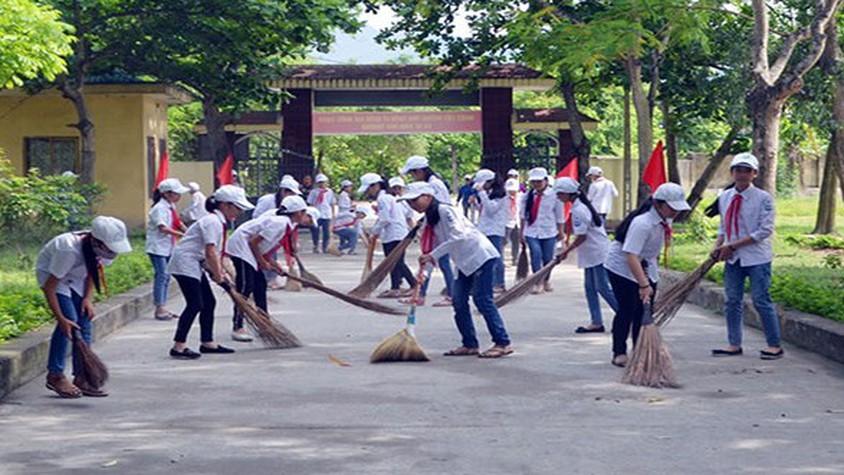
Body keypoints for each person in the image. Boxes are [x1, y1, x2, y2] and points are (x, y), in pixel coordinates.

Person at [400, 182, 513, 358]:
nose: (411, 205)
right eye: (409, 202)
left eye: (414, 200)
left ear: (428, 197)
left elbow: (459, 236)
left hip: (481, 256)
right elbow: (431, 249)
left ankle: (502, 342)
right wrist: (423, 275)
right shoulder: (430, 219)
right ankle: (469, 344)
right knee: (459, 301)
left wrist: (432, 255)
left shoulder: (446, 211)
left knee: (483, 300)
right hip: (463, 262)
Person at [37, 216, 133, 398]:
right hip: (54, 277)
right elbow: (50, 287)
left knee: (85, 322)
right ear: (97, 241)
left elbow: (92, 272)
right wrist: (61, 319)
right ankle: (55, 375)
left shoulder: (102, 250)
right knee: (70, 323)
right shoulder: (68, 249)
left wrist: (88, 299)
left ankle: (83, 376)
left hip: (76, 278)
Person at [603, 182, 690, 368]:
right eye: (672, 208)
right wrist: (643, 285)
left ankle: (640, 350)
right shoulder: (642, 223)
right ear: (658, 204)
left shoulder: (665, 218)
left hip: (645, 263)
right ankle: (619, 352)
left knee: (644, 312)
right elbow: (630, 255)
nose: (676, 212)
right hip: (622, 267)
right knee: (628, 309)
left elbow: (649, 252)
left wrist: (648, 279)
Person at [167, 185, 254, 359]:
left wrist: (218, 272)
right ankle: (178, 346)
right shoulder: (212, 221)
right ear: (224, 205)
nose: (239, 212)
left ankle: (208, 342)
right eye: (237, 207)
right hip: (185, 263)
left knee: (209, 302)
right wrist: (218, 274)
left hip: (194, 263)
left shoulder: (218, 222)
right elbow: (210, 251)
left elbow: (210, 254)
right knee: (195, 304)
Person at [710, 153, 782, 360]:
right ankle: (734, 343)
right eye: (738, 170)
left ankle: (774, 344)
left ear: (755, 174)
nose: (742, 174)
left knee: (761, 300)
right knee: (732, 300)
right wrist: (718, 247)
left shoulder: (763, 198)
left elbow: (764, 231)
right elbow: (723, 226)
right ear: (732, 172)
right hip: (733, 258)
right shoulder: (725, 197)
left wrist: (732, 246)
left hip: (757, 257)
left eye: (747, 170)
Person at [225, 195, 318, 342]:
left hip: (248, 249)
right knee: (245, 288)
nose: (305, 216)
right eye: (304, 212)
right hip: (240, 247)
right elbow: (253, 243)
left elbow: (264, 248)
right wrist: (262, 262)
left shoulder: (286, 224)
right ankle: (237, 326)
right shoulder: (279, 223)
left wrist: (276, 266)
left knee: (260, 286)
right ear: (298, 213)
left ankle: (264, 323)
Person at [553, 177, 618, 333]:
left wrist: (565, 252)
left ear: (569, 194)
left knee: (602, 287)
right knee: (589, 287)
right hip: (591, 253)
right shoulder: (579, 207)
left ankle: (626, 315)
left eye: (560, 194)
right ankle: (596, 321)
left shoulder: (579, 210)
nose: (558, 197)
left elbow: (582, 237)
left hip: (598, 252)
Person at [402, 155, 455, 306]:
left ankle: (450, 295)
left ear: (419, 171)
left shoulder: (435, 185)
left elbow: (440, 206)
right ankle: (420, 294)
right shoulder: (431, 183)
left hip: (440, 227)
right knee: (429, 261)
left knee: (440, 261)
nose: (413, 177)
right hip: (434, 226)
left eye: (413, 174)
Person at [359, 172, 417, 297]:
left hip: (394, 234)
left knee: (395, 261)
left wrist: (375, 232)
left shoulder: (383, 199)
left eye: (368, 189)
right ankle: (395, 287)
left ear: (375, 186)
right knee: (394, 261)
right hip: (395, 234)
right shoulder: (389, 197)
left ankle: (414, 285)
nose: (368, 192)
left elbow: (385, 219)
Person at [146, 178, 190, 321]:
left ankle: (162, 306)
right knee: (162, 276)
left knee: (166, 276)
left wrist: (189, 232)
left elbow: (178, 222)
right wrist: (182, 235)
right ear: (167, 194)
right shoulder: (159, 208)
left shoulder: (171, 207)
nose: (179, 196)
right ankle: (159, 308)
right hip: (157, 247)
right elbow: (163, 228)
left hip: (167, 247)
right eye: (177, 193)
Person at [520, 167, 565, 294]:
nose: (536, 184)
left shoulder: (554, 196)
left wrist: (561, 232)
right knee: (536, 254)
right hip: (531, 231)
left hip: (549, 231)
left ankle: (546, 280)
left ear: (545, 180)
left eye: (539, 181)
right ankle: (537, 282)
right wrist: (521, 233)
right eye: (533, 182)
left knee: (548, 258)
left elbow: (560, 215)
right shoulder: (527, 196)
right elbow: (523, 215)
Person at [473, 169, 509, 293]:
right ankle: (487, 282)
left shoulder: (501, 194)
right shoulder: (488, 192)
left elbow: (491, 209)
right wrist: (476, 203)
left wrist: (482, 194)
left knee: (496, 256)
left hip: (494, 229)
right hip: (484, 228)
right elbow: (484, 210)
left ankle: (499, 282)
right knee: (485, 256)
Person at [504, 178, 521, 266]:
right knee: (505, 241)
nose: (512, 192)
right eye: (510, 190)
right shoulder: (503, 198)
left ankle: (515, 258)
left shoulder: (521, 197)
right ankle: (501, 257)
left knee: (516, 242)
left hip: (517, 222)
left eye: (514, 190)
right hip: (506, 222)